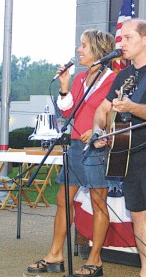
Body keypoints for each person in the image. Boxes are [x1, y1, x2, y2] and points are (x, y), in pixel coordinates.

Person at [27, 29, 120, 277]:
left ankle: (95, 259)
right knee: (62, 201)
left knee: (99, 203)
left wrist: (98, 131)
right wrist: (65, 85)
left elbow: (113, 113)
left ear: (99, 51)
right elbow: (68, 112)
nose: (79, 50)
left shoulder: (113, 80)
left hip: (97, 148)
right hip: (76, 145)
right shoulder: (79, 78)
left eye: (84, 46)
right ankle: (55, 254)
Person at [93, 19, 146, 277]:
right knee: (139, 214)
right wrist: (100, 130)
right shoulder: (123, 75)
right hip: (129, 151)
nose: (122, 43)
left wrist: (130, 107)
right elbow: (103, 109)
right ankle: (145, 270)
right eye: (121, 38)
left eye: (128, 38)